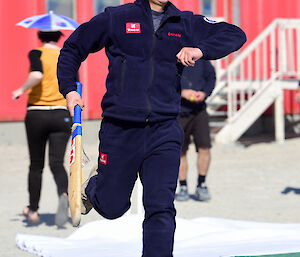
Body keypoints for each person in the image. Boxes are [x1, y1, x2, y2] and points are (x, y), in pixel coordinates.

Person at [57, 0, 246, 256]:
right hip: (120, 128)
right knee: (113, 207)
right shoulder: (117, 17)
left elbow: (235, 34)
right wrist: (69, 89)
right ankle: (93, 187)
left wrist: (201, 49)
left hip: (165, 129)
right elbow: (72, 48)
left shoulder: (185, 22)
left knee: (161, 207)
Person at [12, 31, 72, 227]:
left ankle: (33, 211)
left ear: (40, 35)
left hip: (37, 113)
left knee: (36, 165)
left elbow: (37, 74)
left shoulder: (36, 53)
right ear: (58, 36)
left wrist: (21, 90)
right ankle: (64, 193)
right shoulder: (66, 54)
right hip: (61, 114)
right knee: (56, 162)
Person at [175, 59, 216, 202]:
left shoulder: (202, 58)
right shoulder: (174, 56)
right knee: (180, 151)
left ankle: (201, 184)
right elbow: (165, 80)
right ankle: (183, 187)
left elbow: (211, 77)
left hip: (199, 110)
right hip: (179, 111)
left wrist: (205, 93)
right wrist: (181, 91)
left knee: (205, 147)